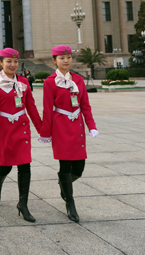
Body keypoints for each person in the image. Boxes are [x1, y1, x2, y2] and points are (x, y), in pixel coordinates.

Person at [38, 45, 98, 223]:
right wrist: (45, 132)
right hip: (60, 127)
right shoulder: (50, 82)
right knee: (65, 166)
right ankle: (70, 202)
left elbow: (85, 105)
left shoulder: (78, 79)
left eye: (69, 57)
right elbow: (47, 109)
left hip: (77, 126)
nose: (66, 60)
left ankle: (64, 184)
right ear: (54, 60)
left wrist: (91, 125)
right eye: (62, 58)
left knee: (79, 168)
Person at [0, 48, 42, 222]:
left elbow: (31, 106)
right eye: (9, 61)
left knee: (25, 165)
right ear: (1, 63)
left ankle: (23, 204)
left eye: (15, 61)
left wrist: (42, 130)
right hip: (4, 128)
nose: (13, 64)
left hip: (21, 127)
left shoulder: (23, 81)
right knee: (6, 166)